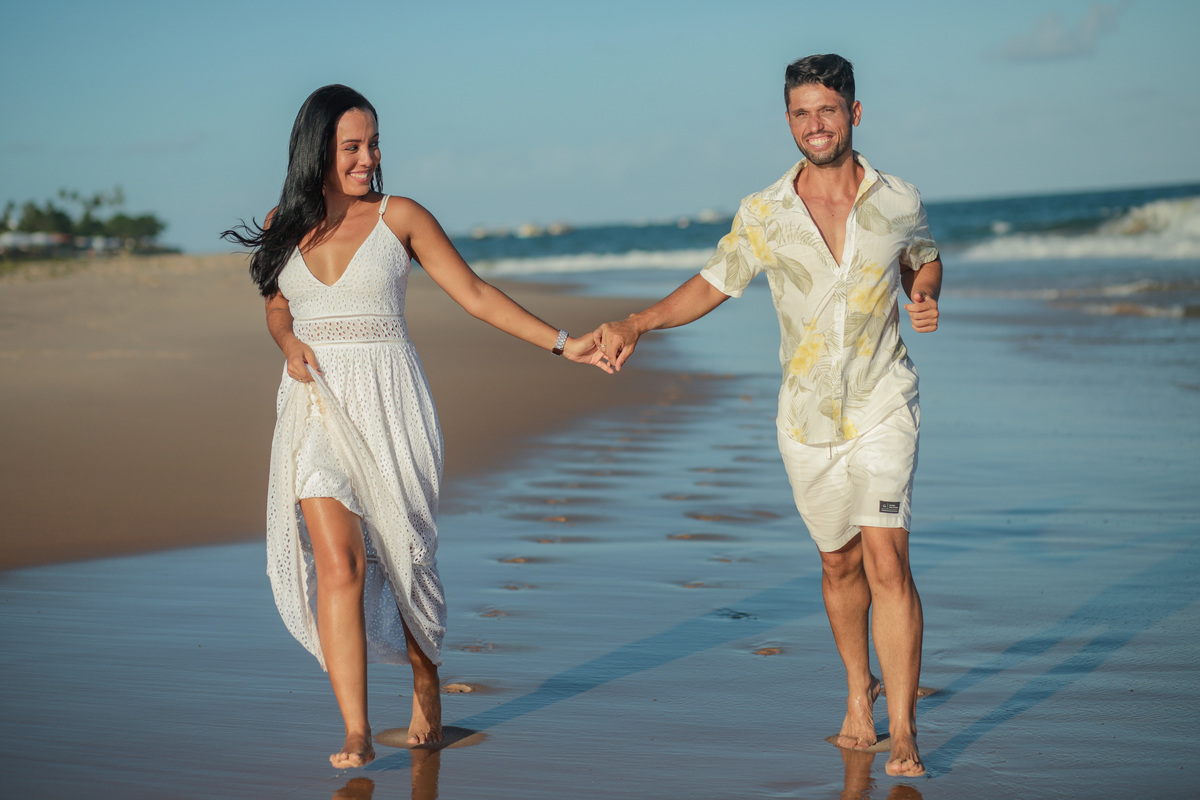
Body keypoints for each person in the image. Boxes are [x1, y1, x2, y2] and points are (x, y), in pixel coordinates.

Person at [223, 84, 610, 769]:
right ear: (318, 149)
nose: (368, 158)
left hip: (390, 404)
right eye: (352, 146)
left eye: (373, 144)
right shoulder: (286, 220)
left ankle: (425, 678)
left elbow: (477, 294)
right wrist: (288, 346)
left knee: (403, 558)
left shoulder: (400, 216)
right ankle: (355, 729)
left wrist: (564, 342)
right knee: (337, 563)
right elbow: (276, 307)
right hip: (315, 407)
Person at [593, 54, 941, 778]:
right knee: (838, 562)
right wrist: (638, 322)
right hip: (807, 419)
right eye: (800, 113)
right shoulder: (765, 212)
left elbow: (921, 256)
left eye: (828, 110)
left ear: (855, 112)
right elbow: (713, 284)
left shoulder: (898, 197)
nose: (815, 125)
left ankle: (902, 730)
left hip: (883, 402)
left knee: (886, 556)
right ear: (789, 119)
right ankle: (858, 695)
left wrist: (925, 290)